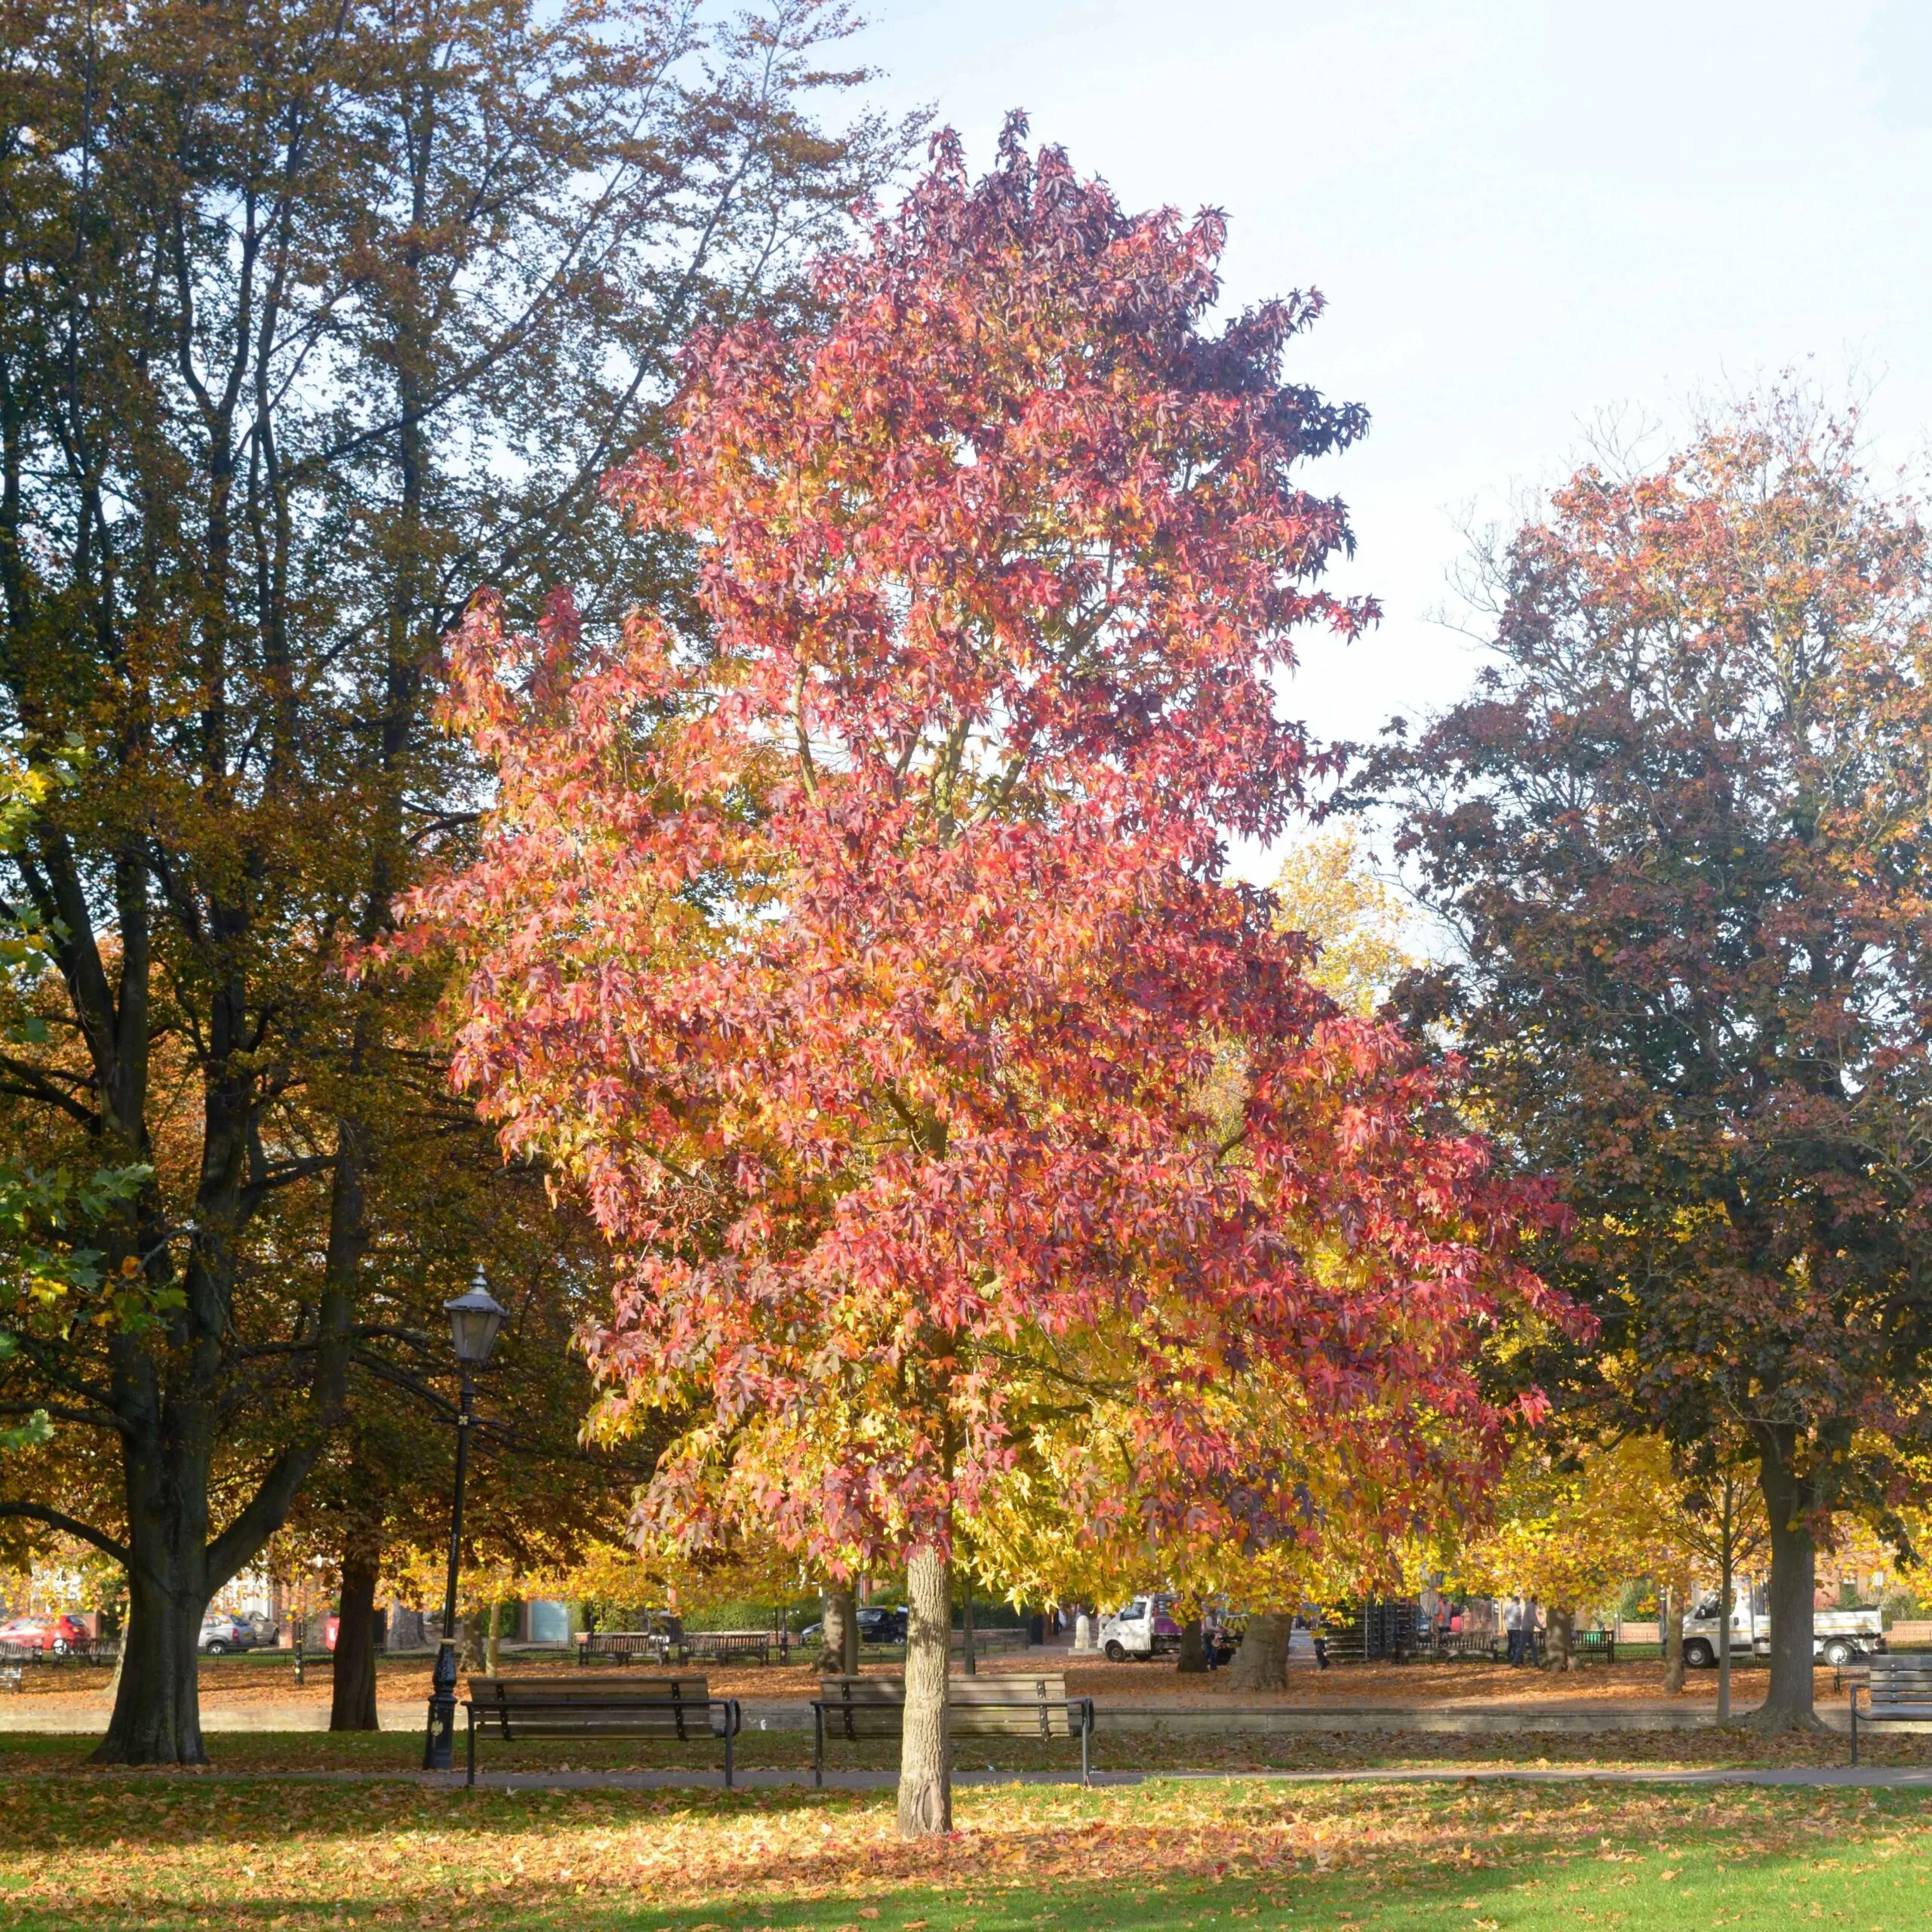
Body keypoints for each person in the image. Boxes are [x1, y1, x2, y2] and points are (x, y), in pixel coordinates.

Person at [1504, 1594, 1525, 1667]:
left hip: (1509, 1628)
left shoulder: (1508, 1608)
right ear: (1516, 1600)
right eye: (1519, 1601)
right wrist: (1520, 1625)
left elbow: (1504, 1617)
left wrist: (1507, 1625)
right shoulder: (1517, 1608)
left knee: (1512, 1643)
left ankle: (1512, 1657)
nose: (1519, 1602)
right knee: (1517, 1644)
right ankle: (1517, 1659)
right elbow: (1519, 1617)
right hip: (1516, 1628)